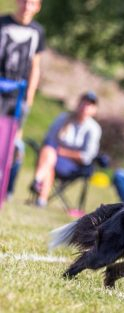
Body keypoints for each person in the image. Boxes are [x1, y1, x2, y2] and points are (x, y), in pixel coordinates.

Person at [0, 0, 46, 198]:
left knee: (12, 145)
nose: (27, 6)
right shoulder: (2, 23)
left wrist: (30, 95)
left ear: (38, 7)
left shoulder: (38, 32)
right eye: (24, 1)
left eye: (32, 3)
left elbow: (35, 66)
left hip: (17, 97)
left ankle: (7, 189)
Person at [29, 92, 102, 208]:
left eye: (89, 105)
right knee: (49, 155)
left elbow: (86, 157)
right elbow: (49, 140)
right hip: (51, 157)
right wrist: (56, 151)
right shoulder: (64, 118)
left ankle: (37, 181)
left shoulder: (94, 129)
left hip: (73, 167)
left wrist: (63, 152)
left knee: (49, 159)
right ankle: (41, 199)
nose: (85, 107)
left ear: (94, 110)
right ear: (78, 104)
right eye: (83, 103)